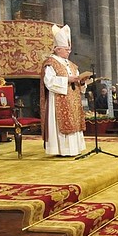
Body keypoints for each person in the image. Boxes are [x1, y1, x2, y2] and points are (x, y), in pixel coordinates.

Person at [40, 24, 87, 157]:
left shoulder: (72, 65)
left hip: (73, 99)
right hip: (58, 100)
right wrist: (67, 80)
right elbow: (49, 82)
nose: (69, 52)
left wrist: (82, 82)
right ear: (57, 49)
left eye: (69, 49)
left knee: (74, 121)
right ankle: (61, 150)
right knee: (63, 124)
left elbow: (77, 81)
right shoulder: (51, 63)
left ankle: (75, 149)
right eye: (66, 49)